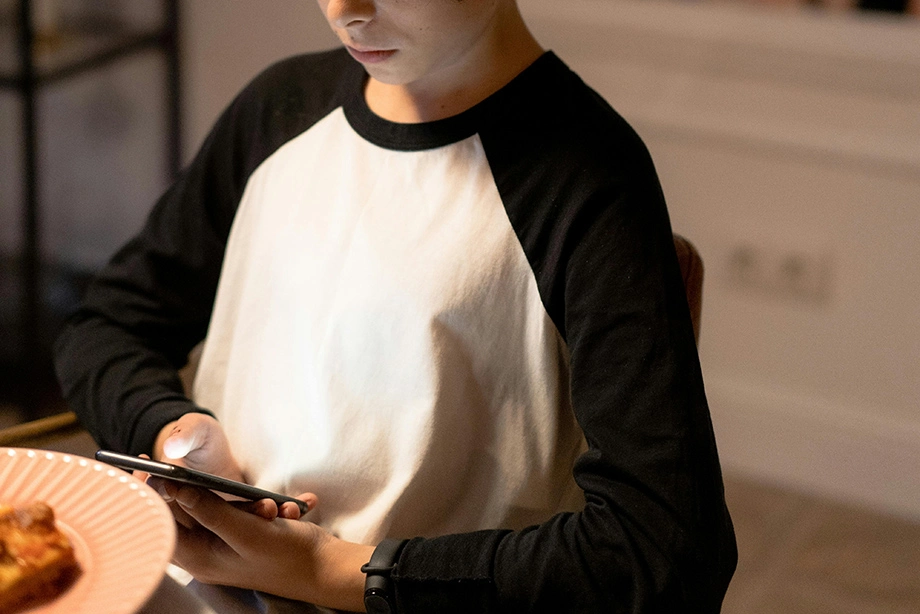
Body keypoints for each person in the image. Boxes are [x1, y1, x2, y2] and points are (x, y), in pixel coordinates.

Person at [55, 0, 737, 611]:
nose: (342, 10)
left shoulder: (587, 180)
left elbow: (664, 552)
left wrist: (327, 569)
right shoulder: (282, 107)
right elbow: (109, 325)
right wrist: (173, 434)